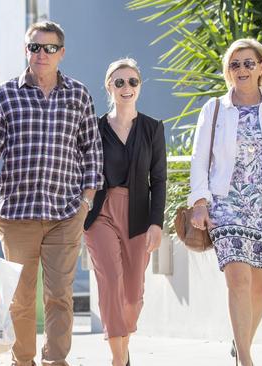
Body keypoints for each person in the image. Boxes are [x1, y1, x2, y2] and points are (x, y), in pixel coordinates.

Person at [0, 21, 103, 366]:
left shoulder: (78, 94)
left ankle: (56, 360)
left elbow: (92, 152)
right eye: (34, 47)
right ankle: (23, 361)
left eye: (49, 48)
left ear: (61, 52)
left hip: (66, 213)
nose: (41, 54)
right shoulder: (4, 95)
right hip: (16, 217)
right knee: (21, 298)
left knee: (61, 296)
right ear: (25, 50)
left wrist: (86, 201)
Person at [189, 38, 262, 366]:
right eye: (234, 64)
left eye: (248, 63)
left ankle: (239, 341)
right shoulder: (213, 108)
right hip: (226, 203)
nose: (241, 69)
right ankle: (245, 358)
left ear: (261, 68)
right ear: (228, 71)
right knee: (238, 278)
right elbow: (199, 160)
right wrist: (200, 202)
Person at [83, 58, 166, 366]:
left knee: (132, 293)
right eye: (119, 82)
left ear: (139, 86)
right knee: (110, 282)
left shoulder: (153, 128)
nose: (126, 87)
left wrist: (156, 223)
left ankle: (123, 351)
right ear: (109, 86)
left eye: (132, 82)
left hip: (138, 215)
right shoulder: (94, 127)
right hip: (101, 214)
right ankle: (118, 360)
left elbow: (158, 179)